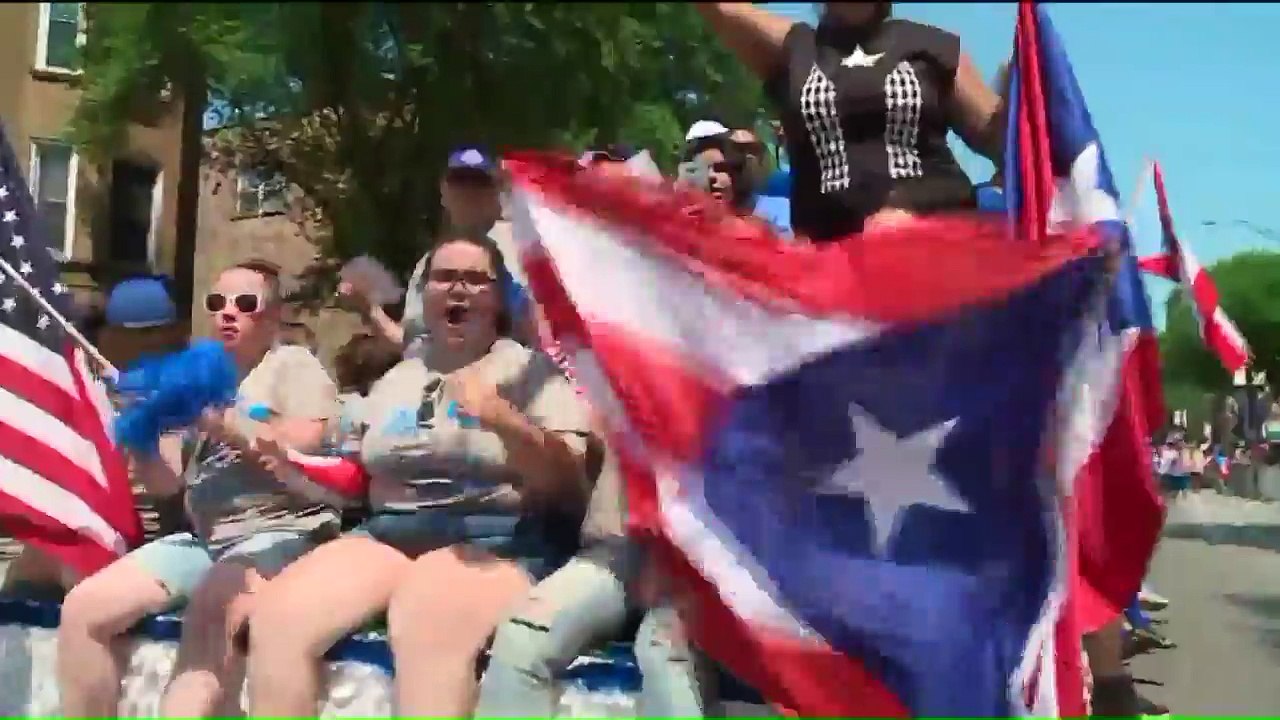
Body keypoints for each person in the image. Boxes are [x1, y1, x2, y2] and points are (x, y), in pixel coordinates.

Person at [244, 232, 593, 717]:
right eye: (445, 277)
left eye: (476, 279)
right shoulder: (397, 378)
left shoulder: (529, 372)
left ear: (498, 298)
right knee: (277, 619)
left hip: (500, 539)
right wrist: (296, 469)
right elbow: (357, 481)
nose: (459, 289)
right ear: (423, 294)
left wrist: (505, 421)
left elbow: (567, 486)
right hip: (388, 532)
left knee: (428, 619)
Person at [475, 153, 712, 719]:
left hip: (706, 554)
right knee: (522, 640)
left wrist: (676, 554)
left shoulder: (712, 322)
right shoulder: (587, 327)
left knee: (666, 653)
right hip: (612, 549)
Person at [55, 259, 340, 717]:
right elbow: (167, 484)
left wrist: (223, 421)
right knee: (84, 610)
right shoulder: (197, 373)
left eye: (245, 303)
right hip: (206, 538)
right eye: (217, 302)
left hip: (281, 531)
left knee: (214, 608)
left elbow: (307, 442)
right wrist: (140, 430)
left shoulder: (291, 364)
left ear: (272, 315)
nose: (228, 312)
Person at [697, 2, 1005, 240]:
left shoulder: (935, 47)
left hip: (938, 256)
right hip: (831, 279)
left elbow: (1013, 145)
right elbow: (720, 8)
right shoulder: (792, 48)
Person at [346, 146, 535, 353]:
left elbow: (541, 331)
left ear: (496, 193)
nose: (469, 192)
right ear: (444, 192)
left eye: (480, 183)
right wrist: (370, 309)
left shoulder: (526, 249)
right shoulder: (430, 263)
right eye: (460, 181)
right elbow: (410, 343)